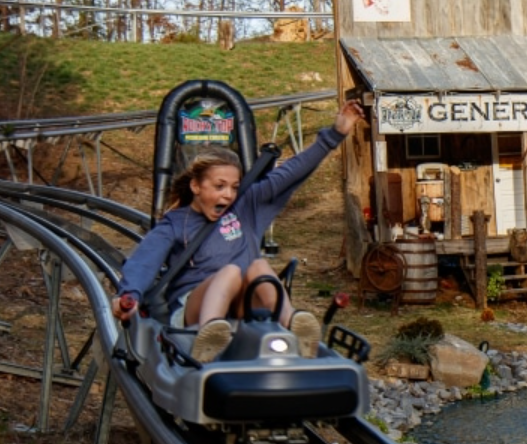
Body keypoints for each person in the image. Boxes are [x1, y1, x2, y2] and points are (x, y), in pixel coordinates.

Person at [111, 99, 365, 363]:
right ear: (196, 187)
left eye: (234, 187)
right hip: (194, 309)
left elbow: (290, 173)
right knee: (231, 271)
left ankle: (294, 325)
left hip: (243, 309)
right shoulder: (176, 223)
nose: (228, 195)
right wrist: (129, 294)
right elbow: (144, 261)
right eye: (219, 186)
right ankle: (209, 335)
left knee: (258, 266)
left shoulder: (245, 207)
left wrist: (335, 133)